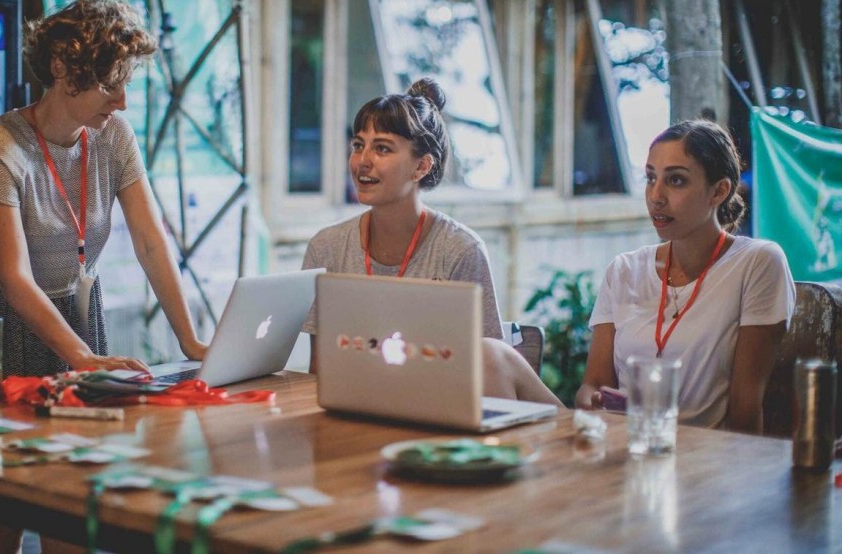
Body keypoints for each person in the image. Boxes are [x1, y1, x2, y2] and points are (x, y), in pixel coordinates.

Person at [0, 0, 206, 553]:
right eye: (110, 84)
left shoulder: (114, 135)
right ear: (63, 67)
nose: (122, 100)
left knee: (74, 522)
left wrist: (192, 339)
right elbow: (14, 278)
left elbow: (153, 243)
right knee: (1, 521)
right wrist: (83, 359)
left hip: (77, 326)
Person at [302, 78, 561, 405]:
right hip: (354, 412)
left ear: (422, 166)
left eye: (382, 148)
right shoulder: (326, 248)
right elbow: (318, 374)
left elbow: (488, 369)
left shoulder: (460, 250)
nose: (362, 160)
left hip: (440, 414)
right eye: (358, 145)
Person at [575, 119, 795, 433]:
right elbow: (592, 384)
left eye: (676, 180)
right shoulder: (623, 269)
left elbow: (745, 413)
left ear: (719, 191)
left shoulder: (757, 263)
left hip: (704, 462)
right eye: (650, 178)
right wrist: (592, 400)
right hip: (622, 446)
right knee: (497, 358)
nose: (656, 196)